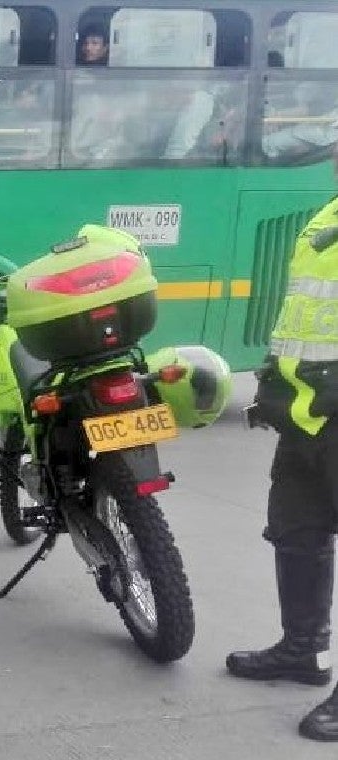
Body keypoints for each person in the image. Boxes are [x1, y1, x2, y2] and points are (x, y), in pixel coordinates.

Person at [229, 131, 338, 742]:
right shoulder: (326, 215)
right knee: (296, 531)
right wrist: (275, 376)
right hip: (307, 409)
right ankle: (304, 650)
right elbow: (304, 310)